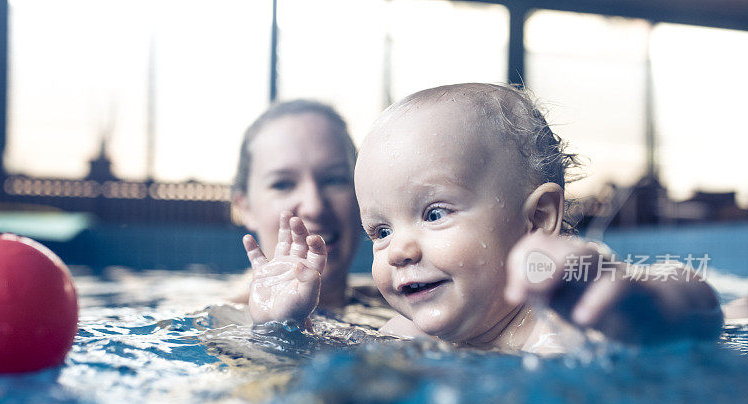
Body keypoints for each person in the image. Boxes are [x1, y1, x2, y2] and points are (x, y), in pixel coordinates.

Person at [242, 83, 723, 353]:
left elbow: (695, 299)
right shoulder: (400, 335)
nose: (401, 251)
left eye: (434, 213)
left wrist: (639, 303)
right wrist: (282, 328)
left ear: (538, 219)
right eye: (381, 231)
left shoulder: (559, 325)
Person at [232, 99, 388, 319]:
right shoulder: (215, 324)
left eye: (334, 180)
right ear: (245, 207)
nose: (314, 207)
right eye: (283, 184)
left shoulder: (402, 308)